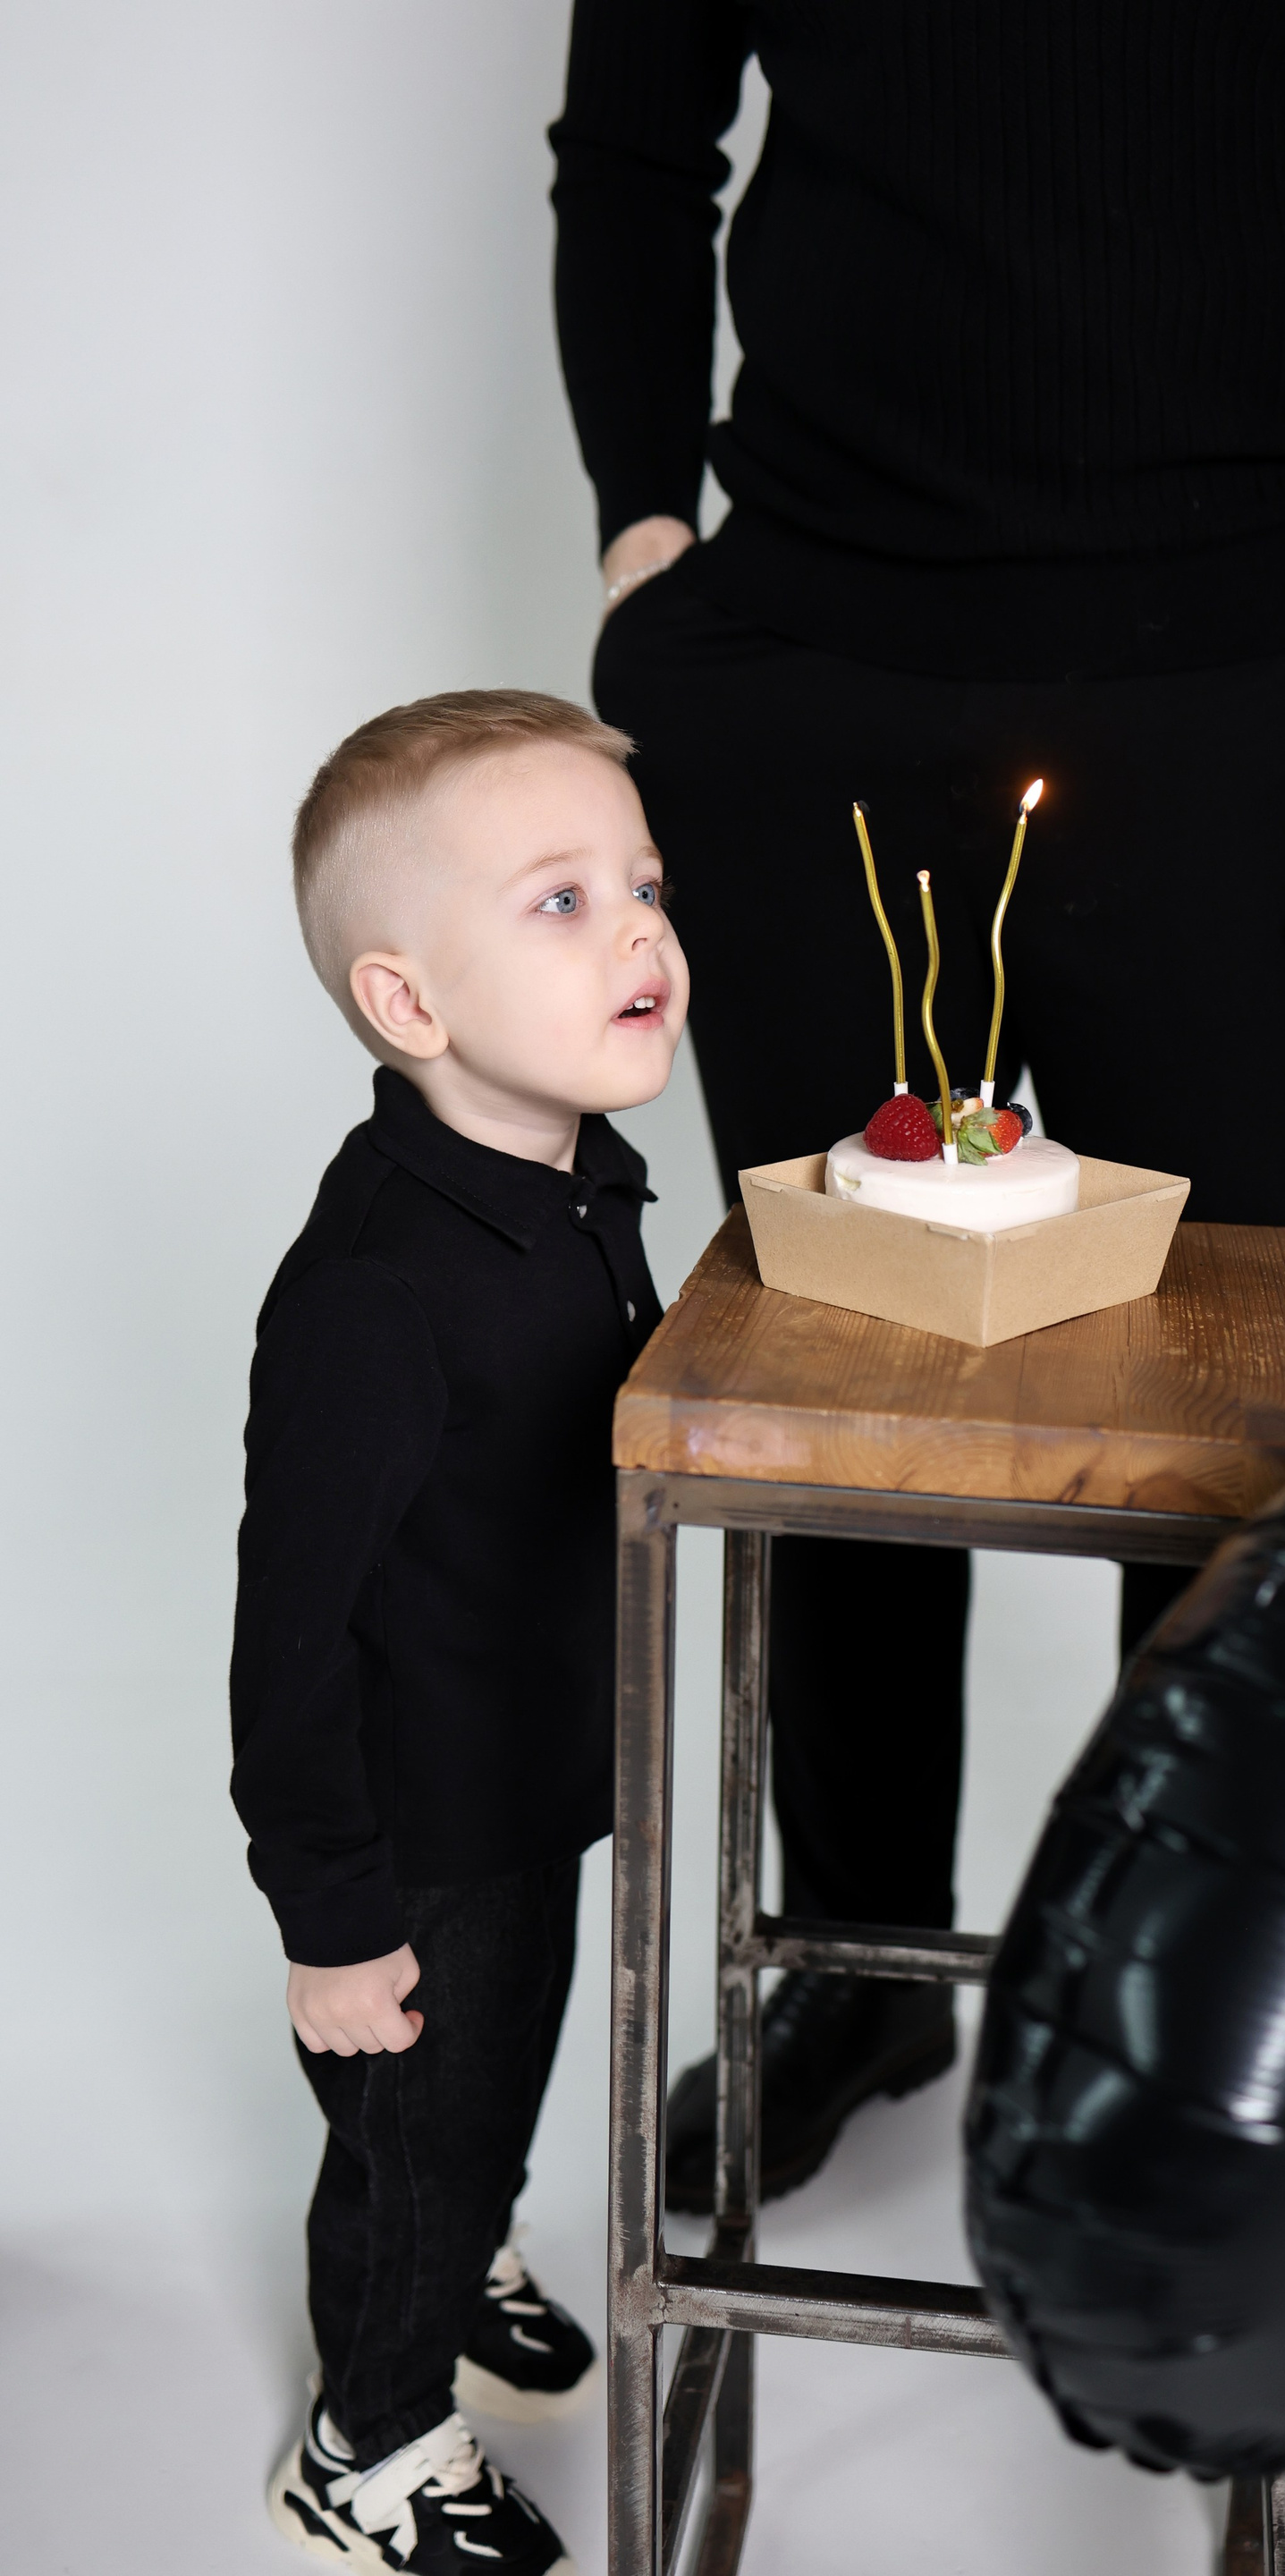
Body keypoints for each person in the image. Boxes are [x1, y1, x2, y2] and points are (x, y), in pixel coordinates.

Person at [549, 0, 1285, 2213]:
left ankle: (1175, 2014)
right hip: (811, 669)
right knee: (845, 1371)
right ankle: (860, 1968)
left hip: (1241, 687)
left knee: (1228, 1412)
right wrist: (646, 532)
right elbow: (634, 138)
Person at [231, 691, 689, 2572]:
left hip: (533, 1773)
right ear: (407, 1001)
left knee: (488, 2090)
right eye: (562, 901)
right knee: (408, 2137)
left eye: (644, 885)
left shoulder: (575, 1184)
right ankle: (372, 2437)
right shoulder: (374, 1294)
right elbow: (289, 1639)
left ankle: (464, 2234)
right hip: (416, 1837)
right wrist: (333, 1920)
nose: (642, 930)